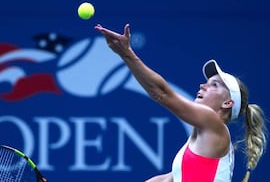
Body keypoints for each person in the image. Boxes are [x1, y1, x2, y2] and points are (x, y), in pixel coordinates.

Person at [95, 23, 267, 182]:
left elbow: (162, 93)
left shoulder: (213, 123)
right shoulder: (203, 141)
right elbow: (167, 179)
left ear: (227, 103)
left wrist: (127, 54)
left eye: (214, 85)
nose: (203, 85)